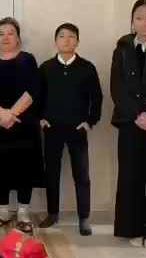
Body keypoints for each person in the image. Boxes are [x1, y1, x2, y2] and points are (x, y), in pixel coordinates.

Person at [0, 17, 44, 234]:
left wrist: (12, 114)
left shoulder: (28, 60)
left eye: (10, 33)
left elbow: (33, 91)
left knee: (24, 168)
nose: (5, 37)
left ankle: (23, 212)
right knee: (0, 168)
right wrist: (2, 114)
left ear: (18, 37)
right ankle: (3, 211)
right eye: (1, 34)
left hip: (23, 124)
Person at [111, 0, 146, 248]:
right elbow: (117, 87)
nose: (144, 23)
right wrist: (137, 115)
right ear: (132, 22)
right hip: (130, 121)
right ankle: (131, 229)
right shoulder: (122, 47)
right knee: (130, 175)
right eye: (139, 18)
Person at [38, 23, 103, 236]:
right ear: (55, 41)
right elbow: (37, 96)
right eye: (62, 36)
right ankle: (52, 213)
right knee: (51, 172)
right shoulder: (46, 67)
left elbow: (97, 98)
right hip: (52, 128)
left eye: (71, 37)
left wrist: (90, 121)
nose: (66, 40)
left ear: (77, 41)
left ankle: (84, 217)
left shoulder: (87, 67)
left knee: (81, 173)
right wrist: (41, 118)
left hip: (77, 129)